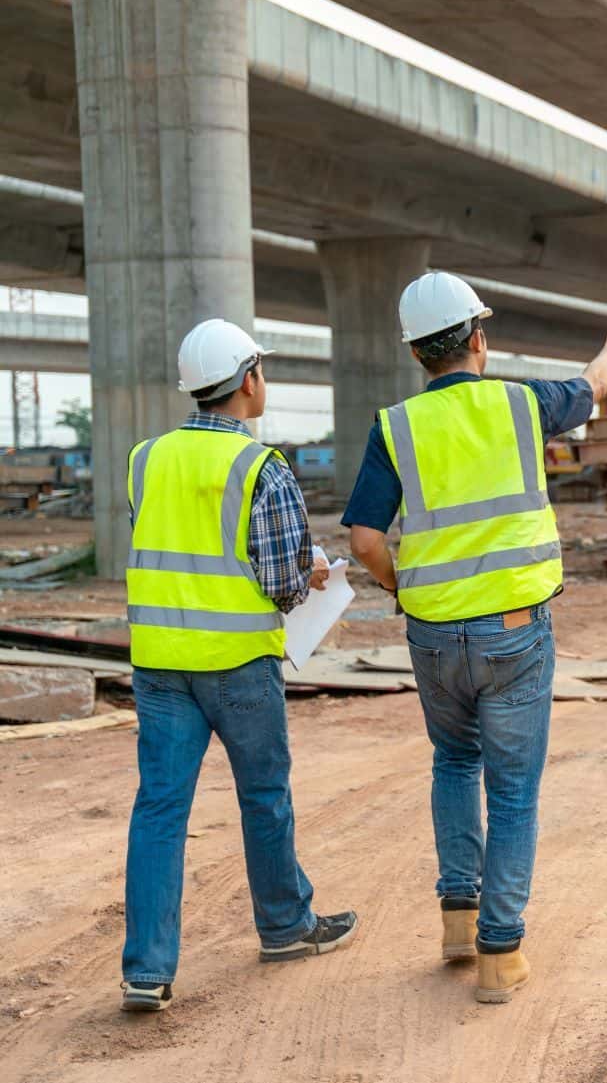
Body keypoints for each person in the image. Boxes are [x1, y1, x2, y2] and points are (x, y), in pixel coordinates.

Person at [342, 272, 607, 1003]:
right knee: (512, 793)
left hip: (433, 636)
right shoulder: (523, 404)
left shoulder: (395, 426)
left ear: (419, 353)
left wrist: (400, 585)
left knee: (454, 763)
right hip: (515, 632)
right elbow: (594, 386)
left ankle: (459, 919)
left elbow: (362, 539)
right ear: (478, 339)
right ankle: (499, 954)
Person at [120, 319, 358, 1014]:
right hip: (238, 663)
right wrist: (310, 575)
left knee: (159, 809)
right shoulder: (262, 467)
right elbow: (282, 582)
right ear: (249, 379)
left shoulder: (145, 458)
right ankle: (285, 925)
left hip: (161, 663)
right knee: (264, 797)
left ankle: (146, 969)